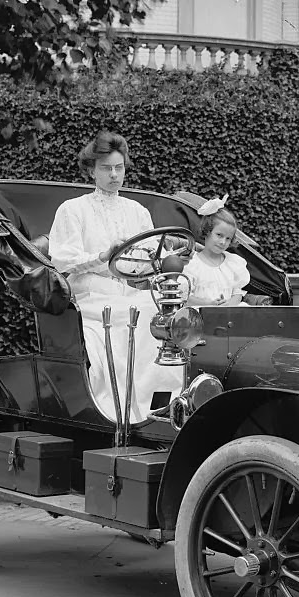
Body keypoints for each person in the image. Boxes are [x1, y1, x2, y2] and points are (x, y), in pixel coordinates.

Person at [47, 131, 184, 425]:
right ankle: (121, 414)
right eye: (106, 168)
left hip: (131, 294)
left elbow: (150, 259)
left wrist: (165, 258)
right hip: (90, 296)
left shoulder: (138, 211)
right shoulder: (73, 210)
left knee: (169, 315)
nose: (113, 175)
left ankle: (161, 404)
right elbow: (62, 260)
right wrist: (102, 257)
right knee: (144, 314)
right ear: (91, 171)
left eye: (119, 168)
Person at [183, 203, 251, 307]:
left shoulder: (233, 263)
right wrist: (209, 304)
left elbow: (237, 293)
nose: (223, 242)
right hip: (201, 314)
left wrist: (229, 305)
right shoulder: (192, 264)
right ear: (206, 232)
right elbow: (186, 298)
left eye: (228, 238)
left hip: (229, 316)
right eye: (219, 235)